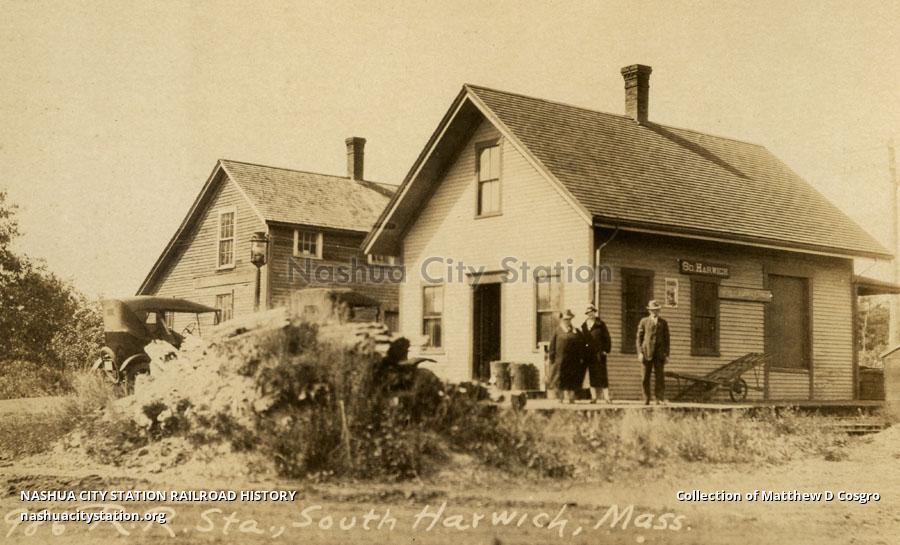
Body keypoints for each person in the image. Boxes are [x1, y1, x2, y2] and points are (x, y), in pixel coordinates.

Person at [636, 300, 670, 405]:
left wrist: (666, 355)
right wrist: (640, 353)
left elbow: (667, 340)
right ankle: (646, 398)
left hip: (659, 354)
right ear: (649, 311)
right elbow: (639, 338)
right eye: (652, 310)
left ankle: (658, 398)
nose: (654, 312)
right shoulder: (644, 321)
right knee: (645, 377)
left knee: (659, 377)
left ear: (659, 311)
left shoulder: (663, 323)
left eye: (656, 310)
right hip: (647, 353)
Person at [548, 309, 583, 404]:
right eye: (565, 319)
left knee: (572, 379)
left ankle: (571, 398)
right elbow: (552, 346)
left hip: (573, 361)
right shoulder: (558, 331)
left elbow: (582, 345)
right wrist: (552, 358)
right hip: (560, 360)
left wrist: (581, 357)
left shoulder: (576, 331)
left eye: (569, 319)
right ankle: (560, 398)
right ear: (562, 319)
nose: (567, 321)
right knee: (560, 379)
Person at [580, 303, 612, 403]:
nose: (590, 314)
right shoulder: (584, 326)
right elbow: (582, 341)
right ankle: (594, 397)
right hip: (589, 354)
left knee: (602, 375)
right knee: (592, 375)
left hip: (600, 353)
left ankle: (607, 397)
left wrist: (606, 350)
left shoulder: (600, 324)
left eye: (592, 312)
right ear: (586, 314)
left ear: (595, 312)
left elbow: (607, 338)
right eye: (588, 313)